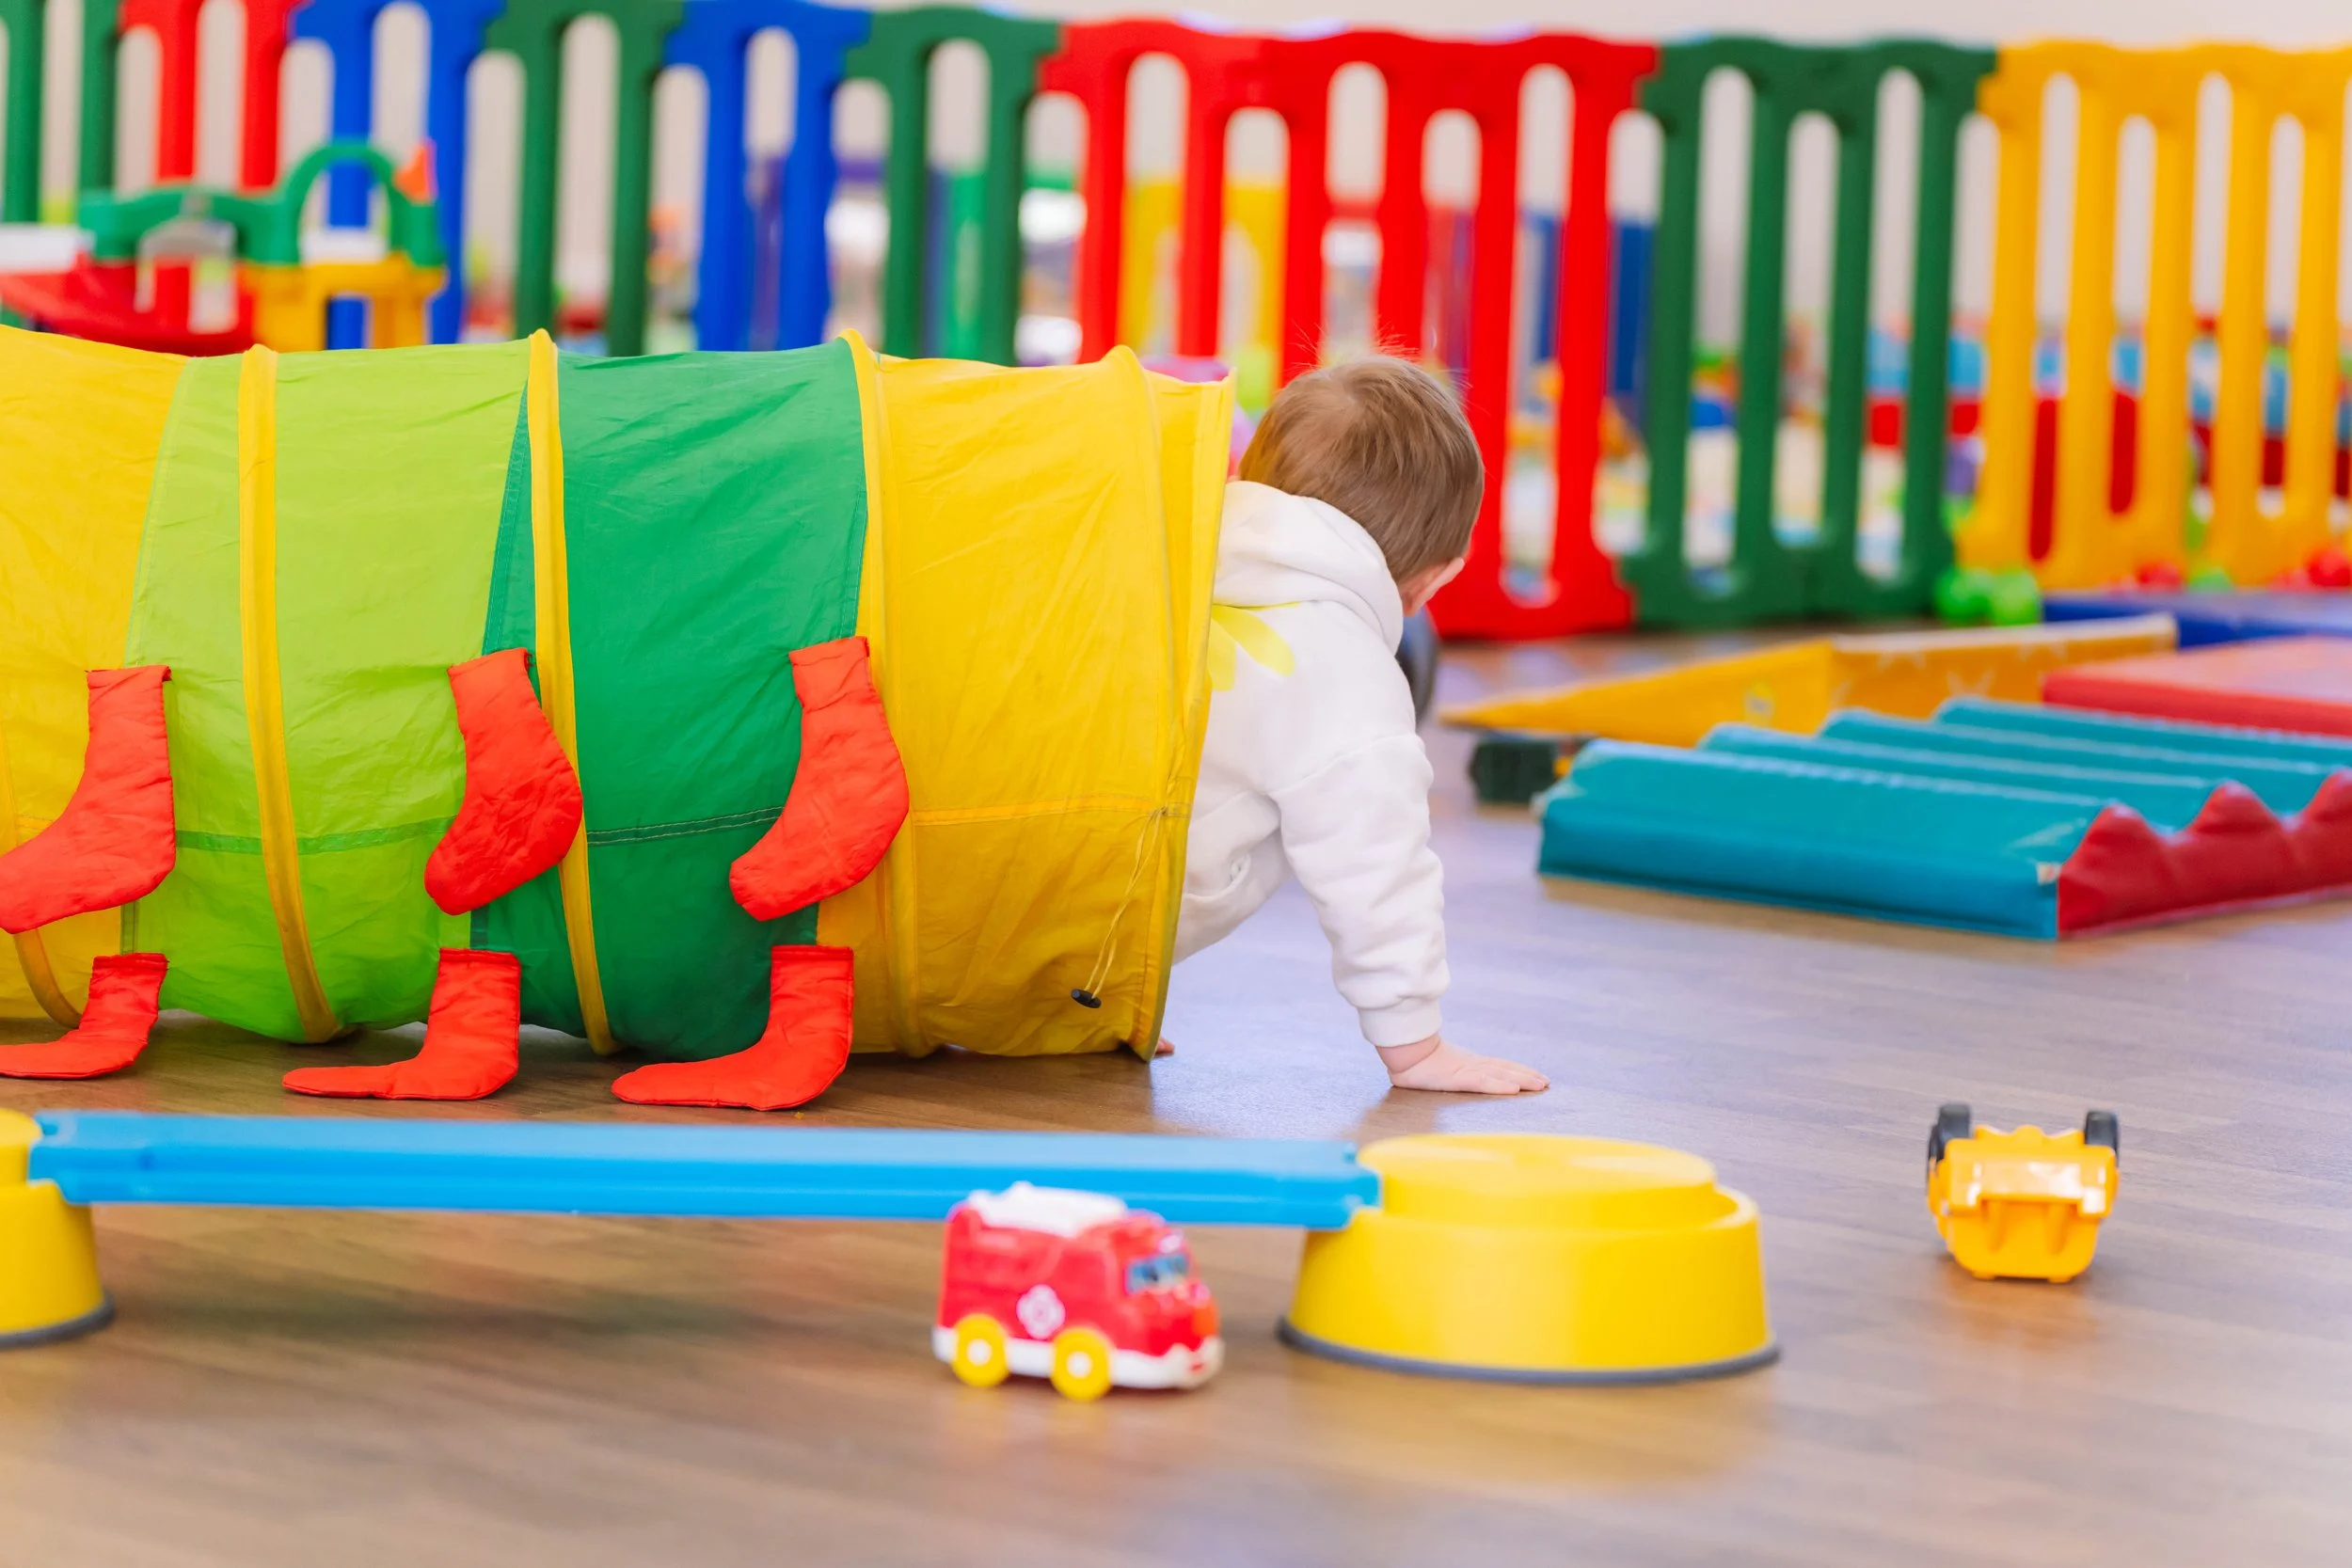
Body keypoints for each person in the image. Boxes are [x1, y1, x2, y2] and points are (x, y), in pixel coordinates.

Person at [1173, 356, 1549, 1096]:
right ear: (1436, 580)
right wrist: (1417, 1045)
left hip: (1001, 888)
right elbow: (1378, 867)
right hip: (1101, 931)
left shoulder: (1167, 550)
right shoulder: (1347, 673)